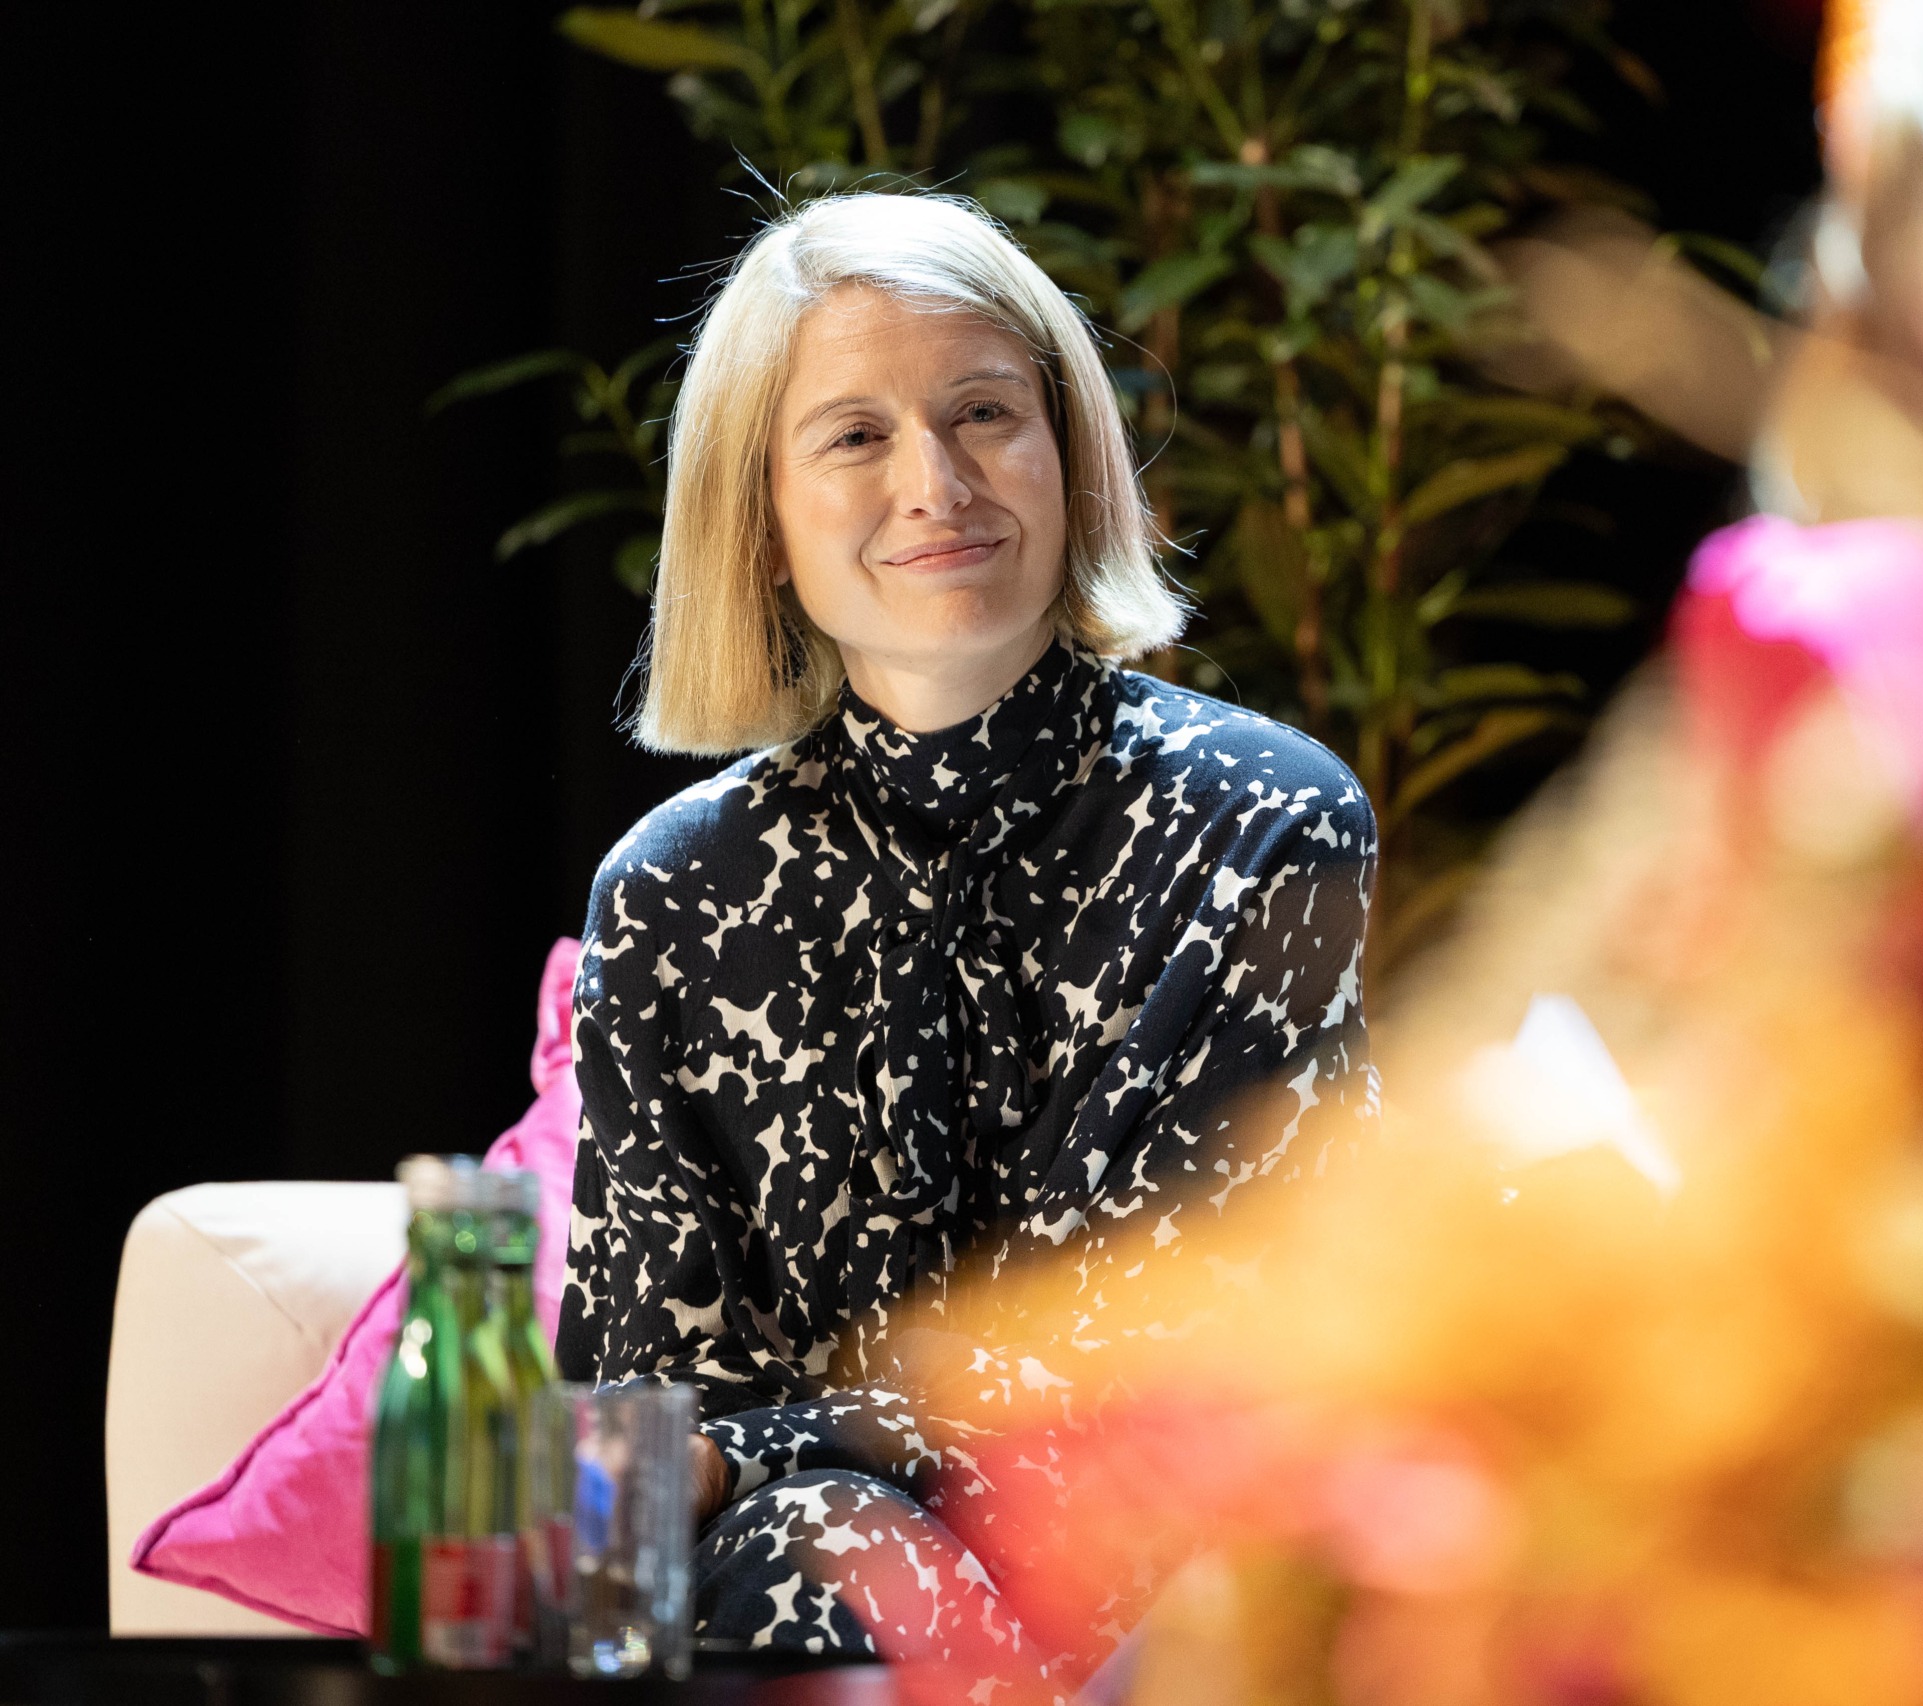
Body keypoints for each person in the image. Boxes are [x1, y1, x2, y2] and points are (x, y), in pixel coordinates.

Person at [554, 192, 1379, 1685]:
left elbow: (1175, 1353)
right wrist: (765, 1484)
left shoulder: (1264, 822)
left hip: (1164, 1553)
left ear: (1070, 455)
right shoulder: (672, 893)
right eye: (854, 436)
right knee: (829, 1563)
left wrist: (764, 1451)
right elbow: (634, 1426)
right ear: (762, 518)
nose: (935, 484)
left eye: (985, 413)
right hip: (804, 1593)